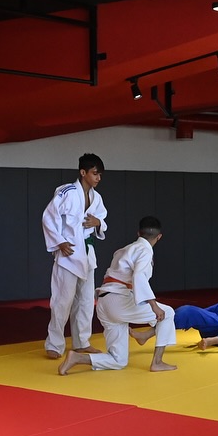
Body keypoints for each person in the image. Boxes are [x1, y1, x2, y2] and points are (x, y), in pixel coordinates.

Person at [59, 216, 177, 374]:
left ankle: (77, 358)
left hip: (104, 302)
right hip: (118, 301)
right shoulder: (144, 251)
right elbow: (139, 277)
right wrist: (153, 305)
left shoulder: (125, 249)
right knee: (167, 313)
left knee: (118, 360)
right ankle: (157, 362)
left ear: (138, 233)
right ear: (159, 236)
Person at [41, 154, 107, 360]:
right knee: (62, 300)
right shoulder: (67, 192)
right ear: (83, 172)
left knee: (86, 301)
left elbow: (102, 220)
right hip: (68, 252)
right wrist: (59, 242)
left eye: (100, 174)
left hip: (87, 253)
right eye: (95, 173)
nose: (98, 178)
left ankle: (82, 342)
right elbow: (48, 216)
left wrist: (98, 223)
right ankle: (54, 344)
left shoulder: (97, 198)